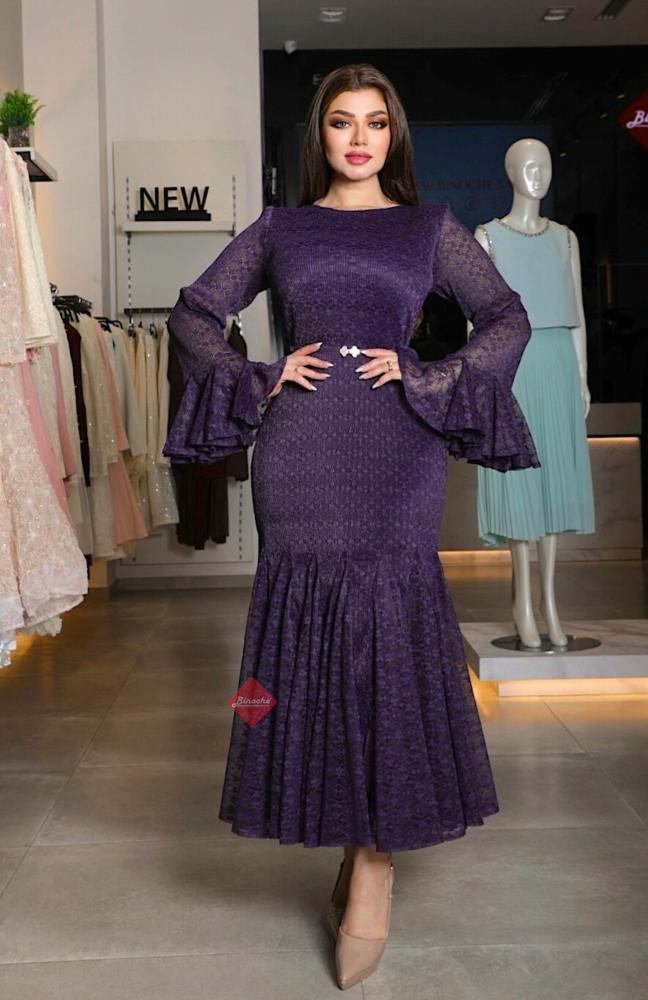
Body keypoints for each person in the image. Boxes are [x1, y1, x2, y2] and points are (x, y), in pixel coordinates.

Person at [163, 62, 539, 991]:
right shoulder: (281, 228)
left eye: (375, 122)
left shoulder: (429, 228)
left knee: (389, 645)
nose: (360, 138)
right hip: (300, 455)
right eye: (342, 122)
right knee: (313, 656)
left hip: (397, 454)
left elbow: (506, 317)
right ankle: (350, 834)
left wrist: (426, 375)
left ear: (393, 134)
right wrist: (259, 377)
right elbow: (194, 312)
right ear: (320, 135)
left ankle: (375, 860)